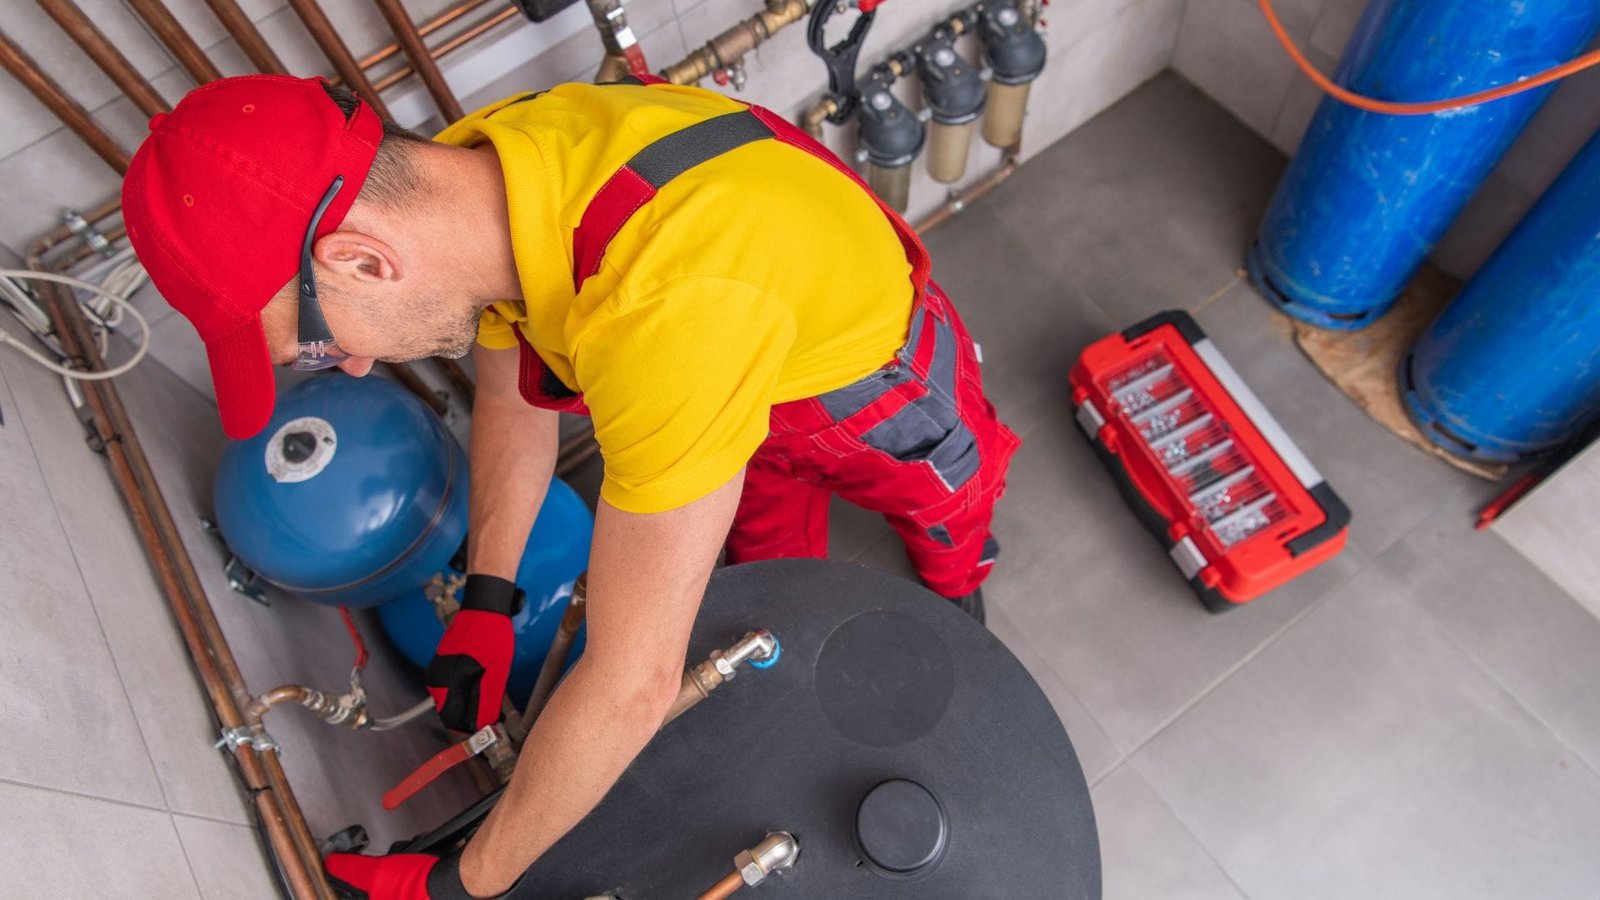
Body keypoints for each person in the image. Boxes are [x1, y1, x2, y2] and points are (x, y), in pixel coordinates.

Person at [122, 73, 1019, 898]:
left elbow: (634, 681)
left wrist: (465, 883)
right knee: (778, 584)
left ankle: (965, 604)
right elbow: (517, 387)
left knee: (949, 521)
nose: (352, 366)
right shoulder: (489, 169)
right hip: (753, 371)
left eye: (316, 342)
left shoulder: (666, 311)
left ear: (365, 260)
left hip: (878, 395)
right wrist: (487, 592)